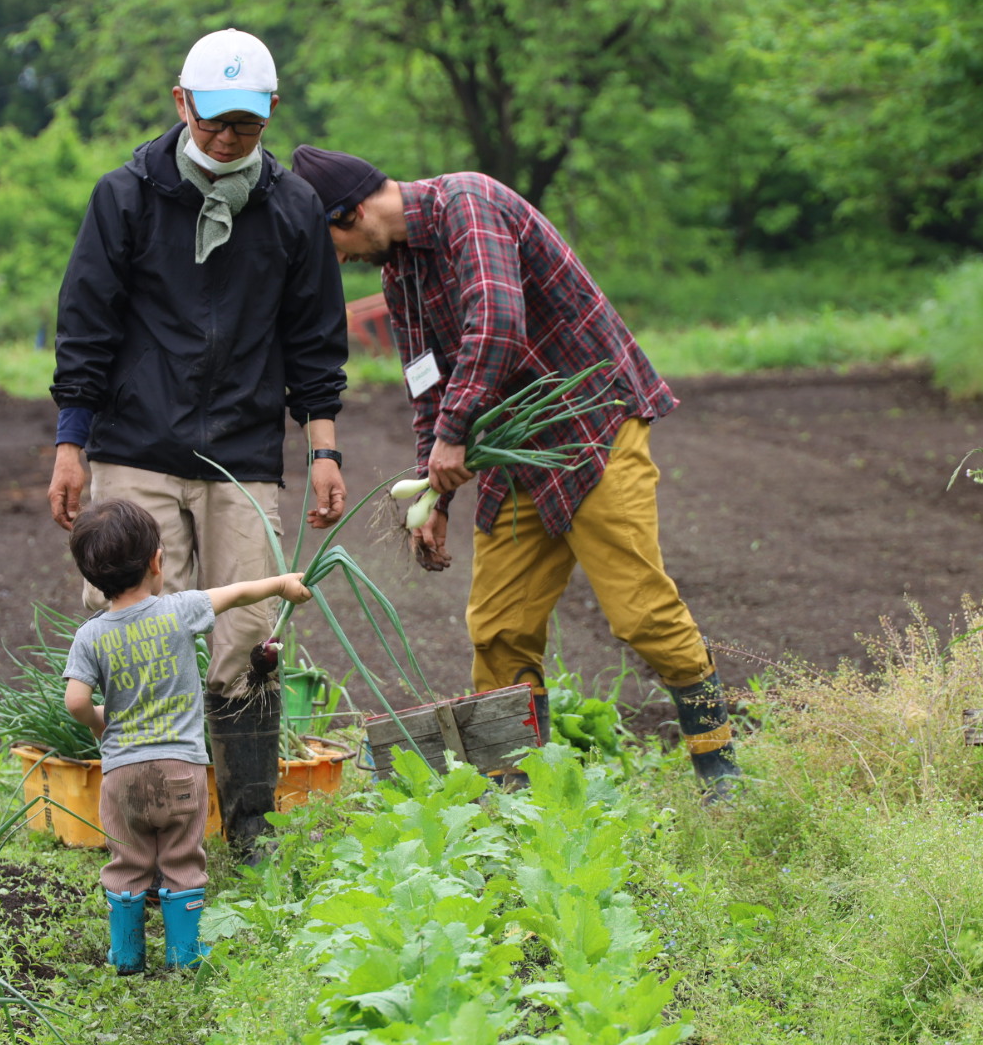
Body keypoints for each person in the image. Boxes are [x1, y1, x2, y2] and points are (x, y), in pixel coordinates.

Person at [289, 146, 743, 799]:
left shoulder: (466, 206)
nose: (338, 260)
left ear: (352, 212)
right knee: (499, 629)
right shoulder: (401, 276)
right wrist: (431, 495)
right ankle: (521, 797)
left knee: (639, 613)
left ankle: (719, 768)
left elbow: (498, 325)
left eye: (332, 243)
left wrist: (452, 437)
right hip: (513, 455)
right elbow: (428, 388)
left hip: (590, 429)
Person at [48, 28, 349, 857]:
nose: (225, 139)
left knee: (247, 640)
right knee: (146, 634)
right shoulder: (127, 197)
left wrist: (323, 450)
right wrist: (72, 444)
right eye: (213, 121)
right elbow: (86, 327)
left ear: (270, 114)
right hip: (137, 445)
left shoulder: (291, 211)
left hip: (244, 457)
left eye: (244, 126)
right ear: (182, 104)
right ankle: (148, 816)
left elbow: (315, 342)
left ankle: (248, 816)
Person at [61, 499, 312, 972]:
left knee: (128, 861)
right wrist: (281, 583)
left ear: (93, 579)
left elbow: (76, 701)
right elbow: (235, 594)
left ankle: (128, 954)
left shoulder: (90, 636)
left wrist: (101, 722)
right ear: (158, 562)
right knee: (180, 857)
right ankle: (184, 954)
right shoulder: (180, 610)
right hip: (181, 768)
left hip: (122, 774)